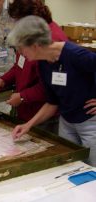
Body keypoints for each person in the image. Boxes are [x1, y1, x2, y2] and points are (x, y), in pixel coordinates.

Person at [7, 15, 96, 166]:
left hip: (89, 123)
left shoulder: (76, 56)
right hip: (66, 121)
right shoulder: (43, 64)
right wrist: (28, 125)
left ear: (35, 45)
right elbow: (52, 102)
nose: (21, 53)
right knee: (69, 165)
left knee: (92, 168)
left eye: (22, 48)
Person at [0, 0, 68, 125]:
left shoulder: (52, 40)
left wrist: (23, 96)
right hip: (26, 111)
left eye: (18, 21)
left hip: (43, 116)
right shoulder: (30, 34)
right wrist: (5, 79)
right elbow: (21, 65)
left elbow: (51, 85)